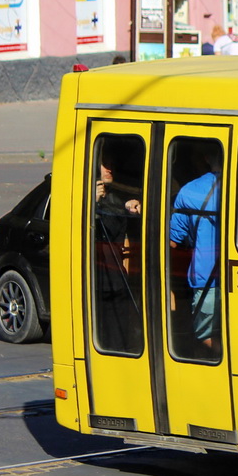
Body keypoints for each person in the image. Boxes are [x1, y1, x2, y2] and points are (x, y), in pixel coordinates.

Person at [169, 146, 223, 353]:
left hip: (205, 276)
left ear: (207, 157)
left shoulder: (189, 191)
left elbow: (173, 240)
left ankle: (227, 357)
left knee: (203, 334)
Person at [93, 147, 143, 353]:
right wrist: (91, 205)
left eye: (112, 163)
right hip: (96, 280)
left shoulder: (117, 197)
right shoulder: (85, 197)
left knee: (121, 336)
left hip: (116, 279)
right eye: (105, 164)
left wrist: (132, 209)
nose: (109, 169)